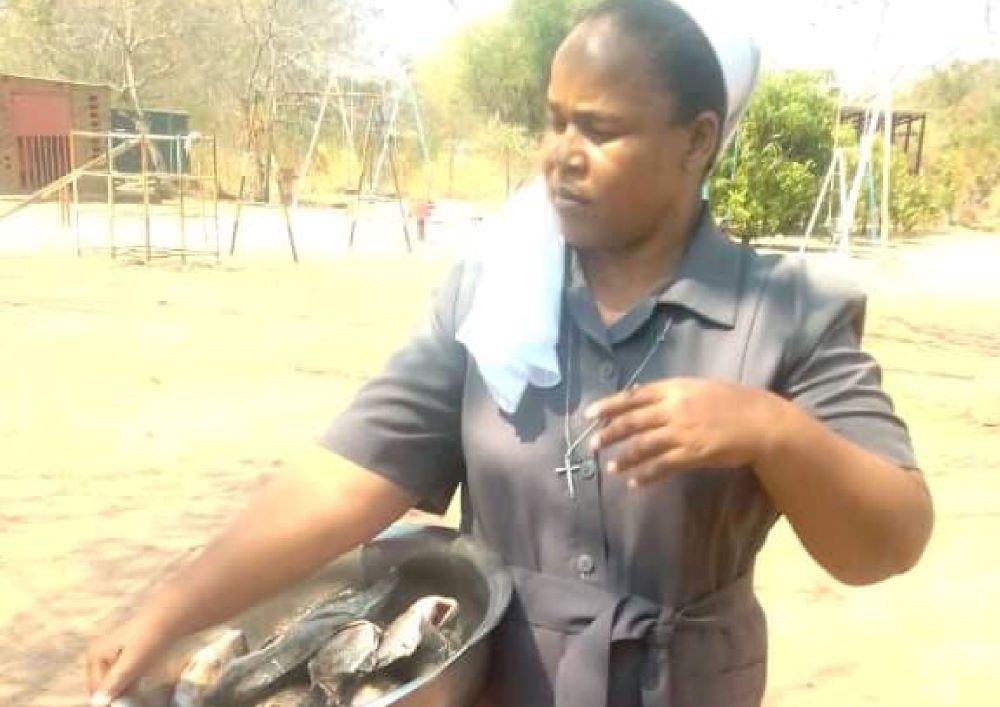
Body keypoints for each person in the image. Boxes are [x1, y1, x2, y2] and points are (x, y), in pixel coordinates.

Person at [86, 2, 933, 706]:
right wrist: (173, 606)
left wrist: (772, 430)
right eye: (555, 120)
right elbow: (346, 476)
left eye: (600, 129)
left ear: (696, 139)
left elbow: (887, 542)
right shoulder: (495, 304)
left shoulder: (786, 311)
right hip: (500, 685)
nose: (561, 154)